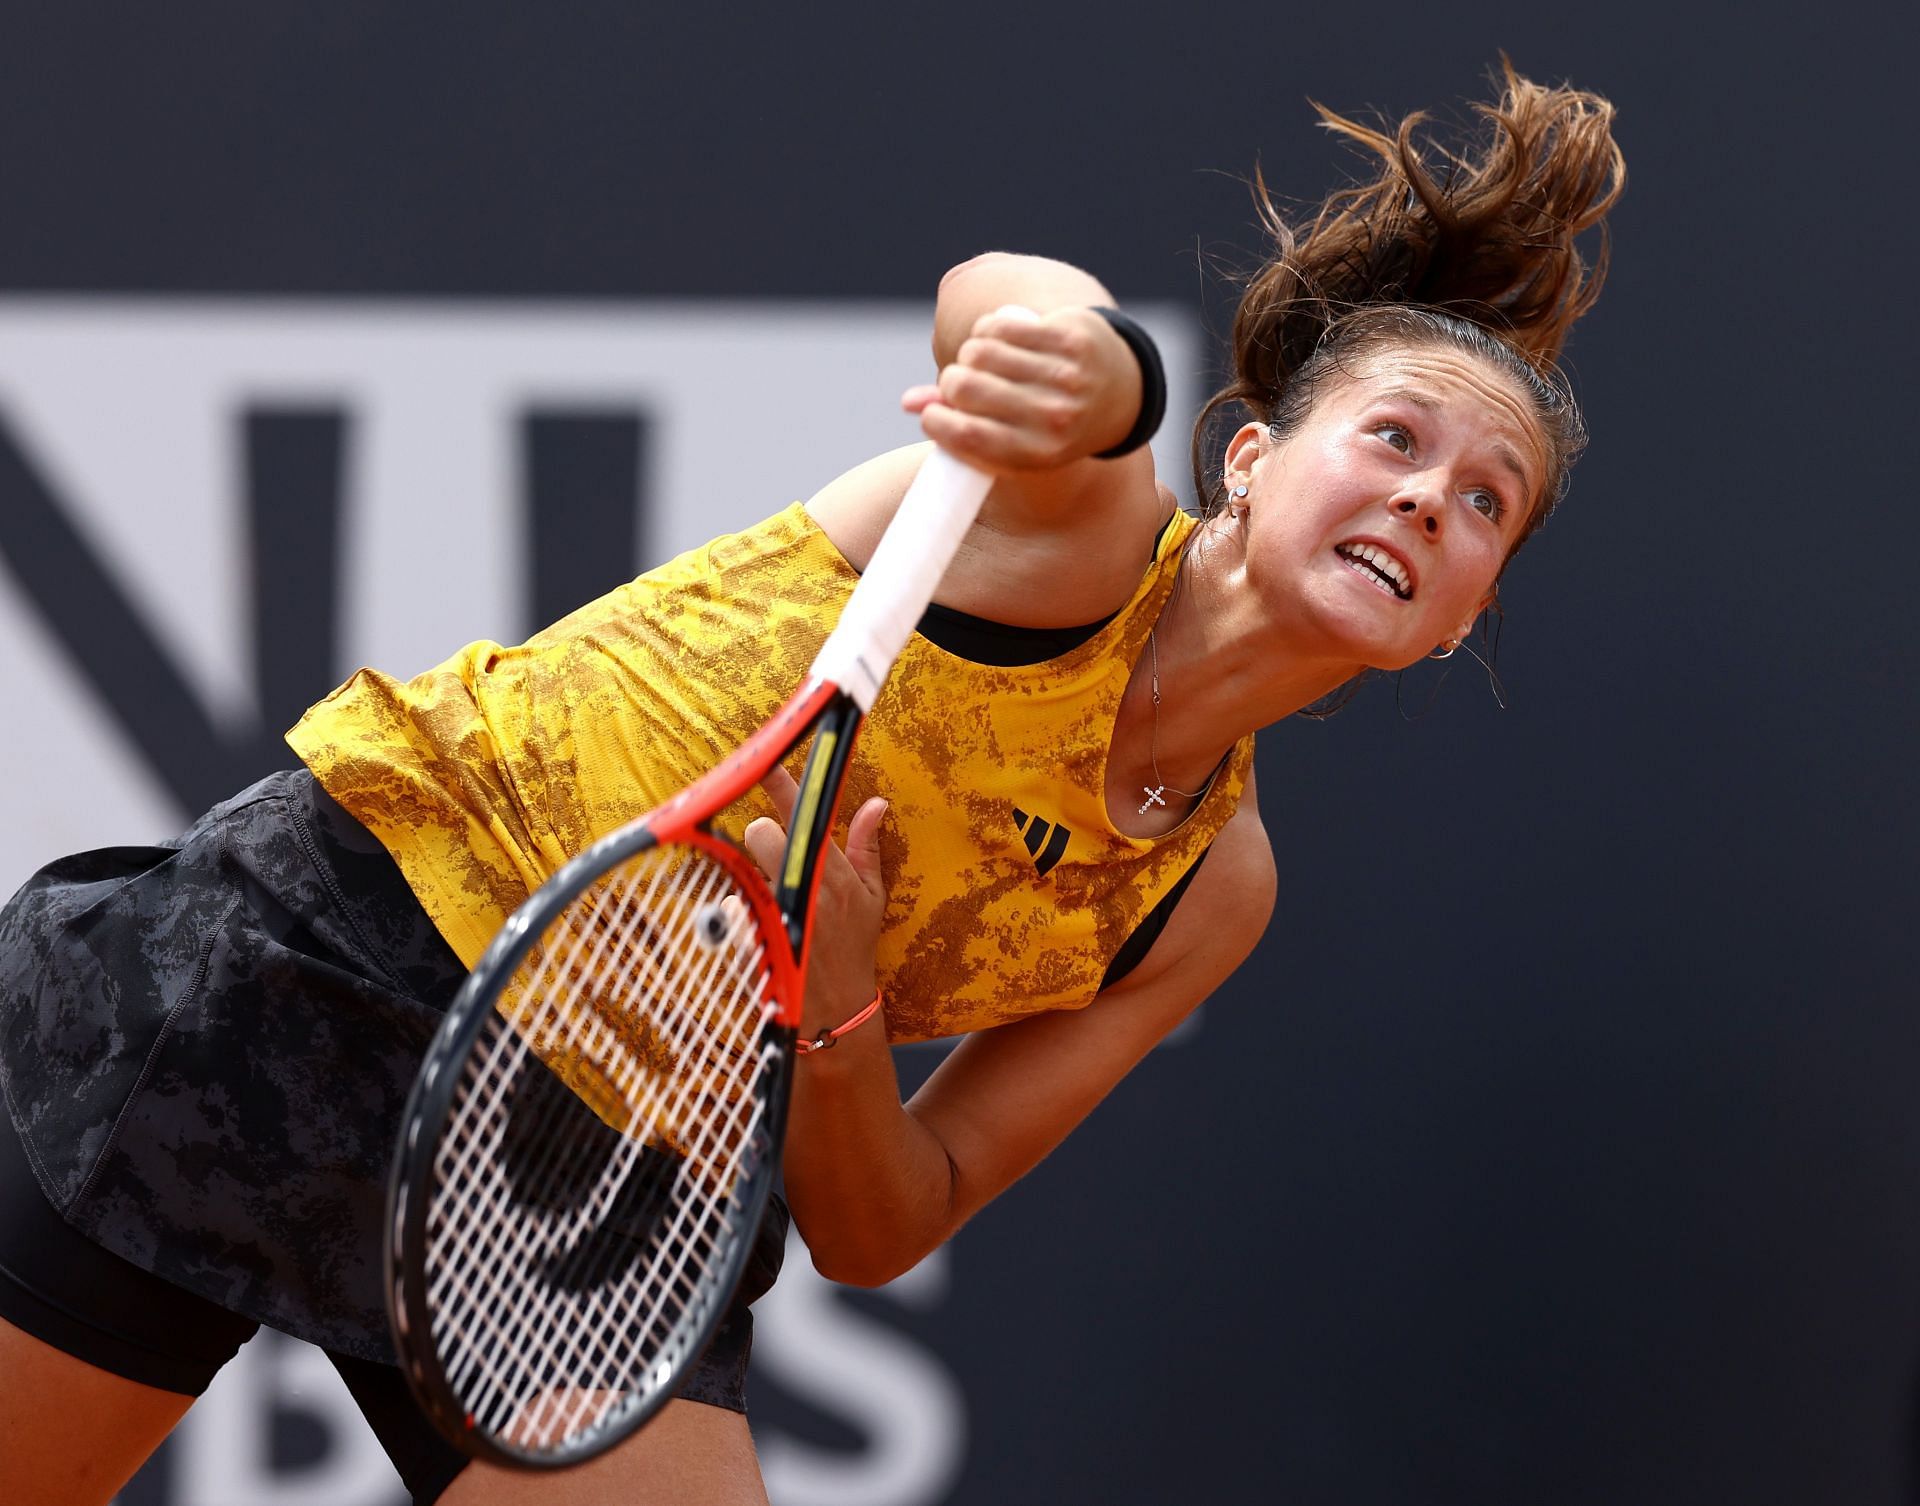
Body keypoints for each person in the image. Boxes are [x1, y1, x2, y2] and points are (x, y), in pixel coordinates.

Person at [0, 63, 1622, 1506]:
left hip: (608, 1171)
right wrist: (1097, 370)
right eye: (1397, 441)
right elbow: (1008, 294)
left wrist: (839, 1013)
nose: (1428, 504)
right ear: (1251, 458)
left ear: (1477, 606)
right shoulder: (1072, 538)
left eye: (1485, 504)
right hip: (325, 950)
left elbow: (884, 1220)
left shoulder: (1210, 891)